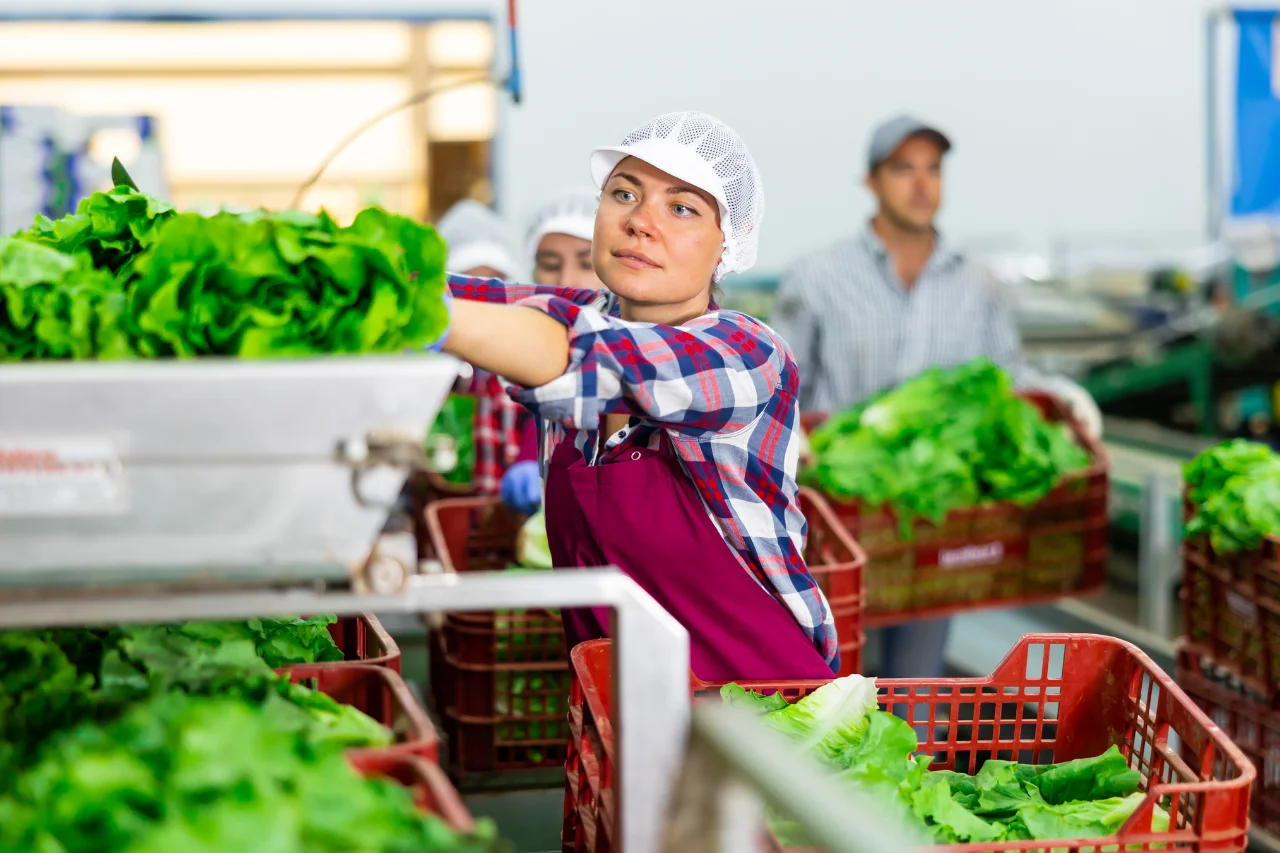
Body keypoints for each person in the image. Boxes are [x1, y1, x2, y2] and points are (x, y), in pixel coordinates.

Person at [429, 111, 838, 681]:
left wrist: (426, 316)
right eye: (624, 194)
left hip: (763, 703)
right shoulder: (580, 312)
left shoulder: (747, 352)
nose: (641, 222)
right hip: (621, 704)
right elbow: (471, 295)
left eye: (682, 208)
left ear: (727, 245)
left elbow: (597, 359)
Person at [770, 115, 1102, 680]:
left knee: (917, 684)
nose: (921, 184)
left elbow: (1005, 378)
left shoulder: (976, 282)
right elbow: (781, 378)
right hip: (840, 512)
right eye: (903, 169)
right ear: (871, 182)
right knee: (827, 673)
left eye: (933, 168)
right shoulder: (818, 276)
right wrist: (790, 429)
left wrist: (1060, 394)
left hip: (934, 517)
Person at [500, 190, 606, 514]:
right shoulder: (517, 354)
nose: (566, 280)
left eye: (586, 263)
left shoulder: (635, 354)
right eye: (549, 265)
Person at [433, 200, 525, 497]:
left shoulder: (518, 375)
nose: (480, 304)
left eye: (491, 289)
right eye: (466, 290)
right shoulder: (433, 374)